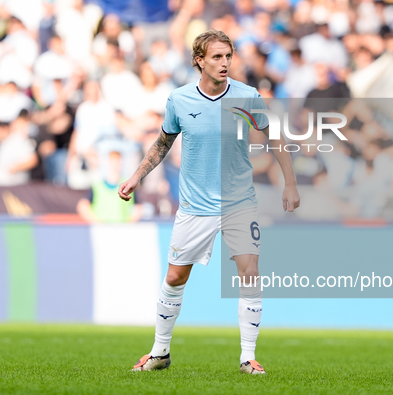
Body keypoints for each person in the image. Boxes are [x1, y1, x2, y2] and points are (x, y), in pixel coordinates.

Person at [119, 29, 300, 375]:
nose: (225, 63)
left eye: (228, 56)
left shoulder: (247, 96)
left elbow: (275, 136)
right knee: (174, 277)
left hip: (239, 203)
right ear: (199, 60)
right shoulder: (180, 99)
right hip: (195, 206)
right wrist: (136, 176)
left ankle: (248, 357)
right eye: (217, 57)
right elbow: (163, 143)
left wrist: (289, 183)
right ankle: (160, 352)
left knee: (250, 273)